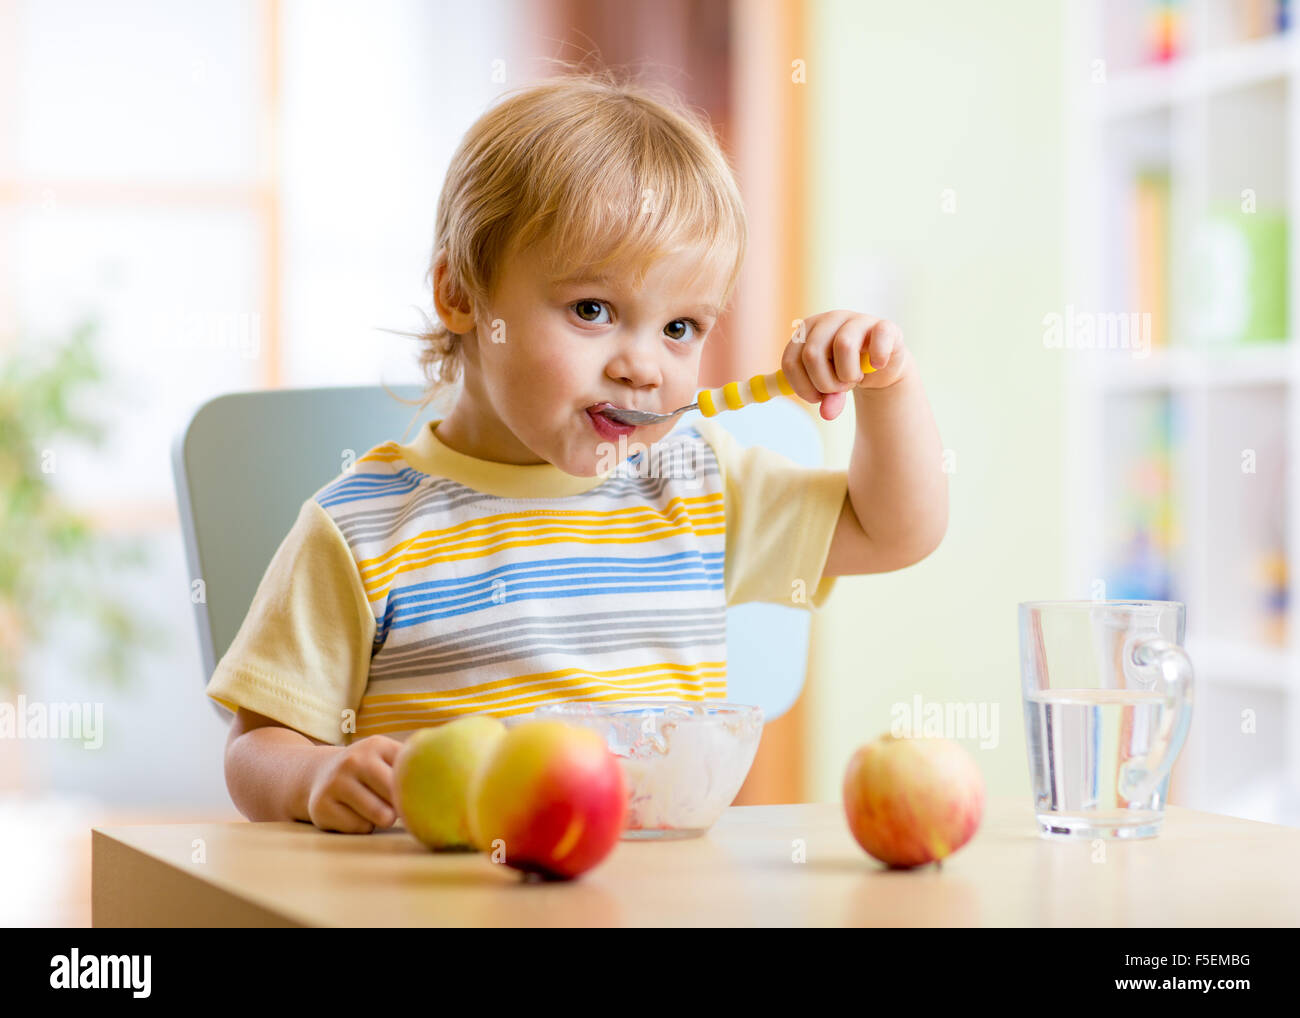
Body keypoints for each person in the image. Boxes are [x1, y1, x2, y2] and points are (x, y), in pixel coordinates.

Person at [209, 71, 947, 834]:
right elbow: (256, 747)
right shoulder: (361, 528)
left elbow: (895, 530)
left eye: (681, 328)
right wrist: (313, 776)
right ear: (461, 295)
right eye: (593, 310)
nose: (644, 366)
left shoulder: (693, 480)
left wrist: (886, 389)